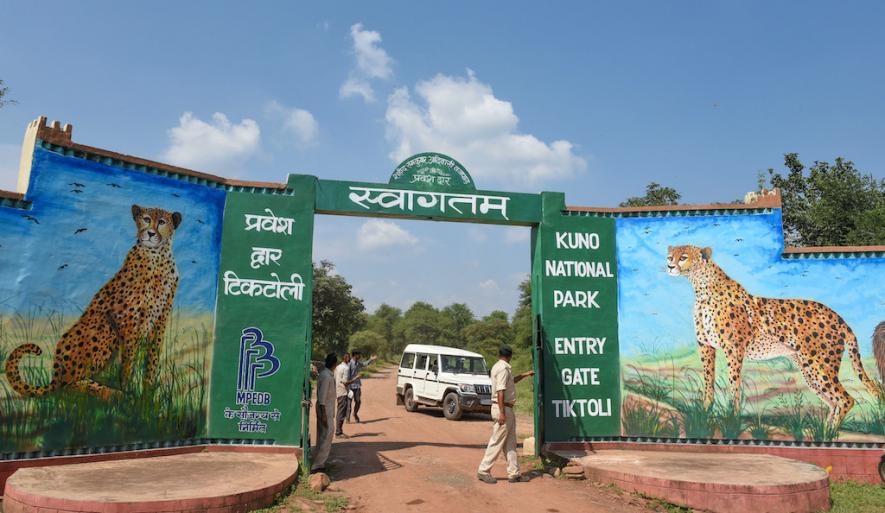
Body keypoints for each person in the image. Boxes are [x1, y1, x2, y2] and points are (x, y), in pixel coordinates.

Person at [477, 344, 534, 484]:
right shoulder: (503, 368)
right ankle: (483, 470)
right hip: (503, 409)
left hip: (506, 409)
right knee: (497, 441)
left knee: (510, 443)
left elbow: (510, 382)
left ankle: (514, 474)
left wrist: (525, 374)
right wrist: (502, 413)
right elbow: (500, 391)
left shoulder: (498, 366)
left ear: (499, 355)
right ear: (510, 356)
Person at [311, 353, 337, 474]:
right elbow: (322, 398)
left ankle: (318, 462)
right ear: (334, 364)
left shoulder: (325, 374)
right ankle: (318, 464)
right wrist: (324, 415)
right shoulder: (327, 376)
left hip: (326, 409)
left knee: (323, 436)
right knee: (326, 436)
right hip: (325, 409)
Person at [347, 350, 376, 423]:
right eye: (358, 355)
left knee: (358, 401)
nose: (359, 356)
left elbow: (364, 364)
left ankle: (355, 414)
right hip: (350, 386)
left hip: (357, 386)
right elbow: (347, 376)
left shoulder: (358, 363)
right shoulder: (349, 363)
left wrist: (371, 360)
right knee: (349, 403)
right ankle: (347, 418)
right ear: (354, 355)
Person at [334, 352, 352, 437]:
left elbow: (335, 379)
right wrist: (356, 378)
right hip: (343, 392)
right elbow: (345, 382)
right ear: (348, 359)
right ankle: (338, 432)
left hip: (338, 391)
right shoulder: (346, 368)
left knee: (340, 411)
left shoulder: (337, 367)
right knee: (341, 413)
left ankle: (339, 431)